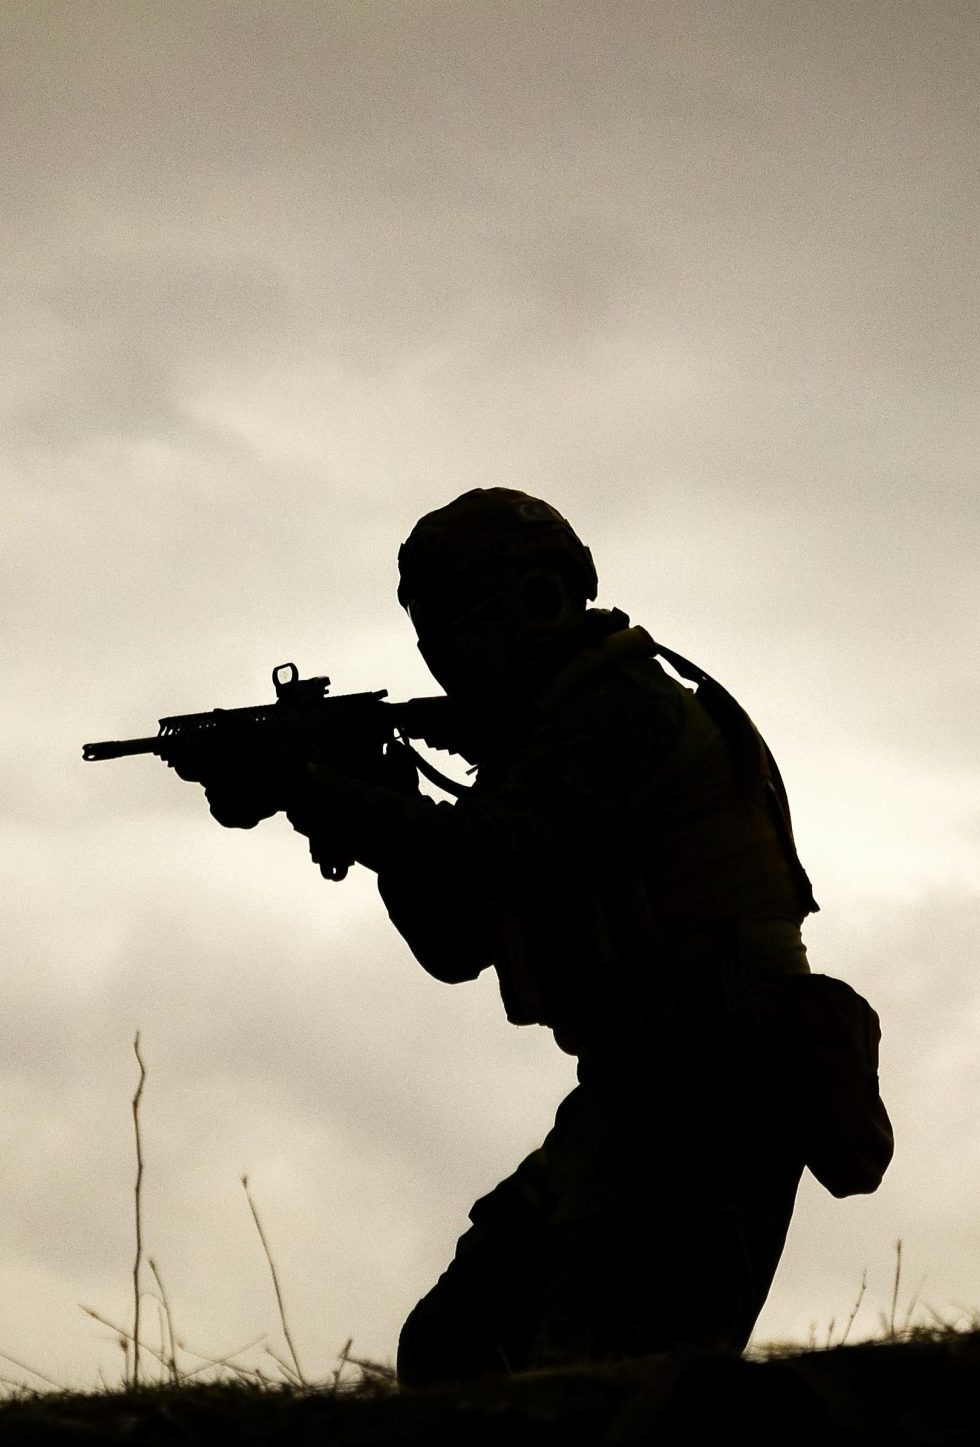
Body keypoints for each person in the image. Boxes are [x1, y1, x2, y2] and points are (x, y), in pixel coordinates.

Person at [178, 488, 884, 1384]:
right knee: (456, 1349)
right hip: (638, 1087)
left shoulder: (623, 708)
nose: (447, 659)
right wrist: (363, 794)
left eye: (458, 623)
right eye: (431, 632)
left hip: (715, 1076)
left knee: (607, 1392)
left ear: (540, 598)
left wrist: (325, 791)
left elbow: (500, 859)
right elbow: (455, 938)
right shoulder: (547, 739)